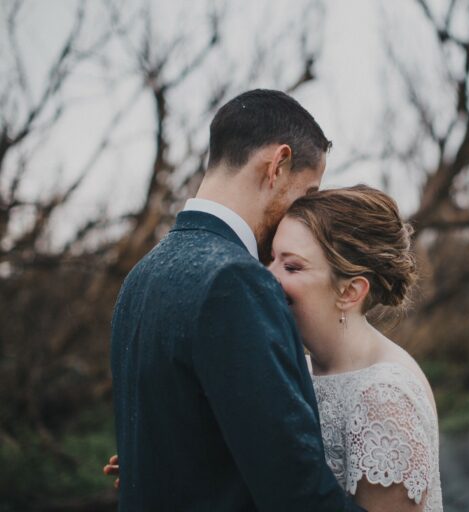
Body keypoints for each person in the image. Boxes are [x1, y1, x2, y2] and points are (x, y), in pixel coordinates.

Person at [108, 185, 443, 511]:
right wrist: (158, 468)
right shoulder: (294, 367)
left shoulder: (385, 396)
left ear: (350, 291)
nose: (267, 276)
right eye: (270, 259)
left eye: (292, 266)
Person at [109, 89, 365, 511]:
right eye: (307, 192)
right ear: (278, 165)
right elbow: (296, 493)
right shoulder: (235, 281)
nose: (303, 212)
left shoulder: (139, 277)